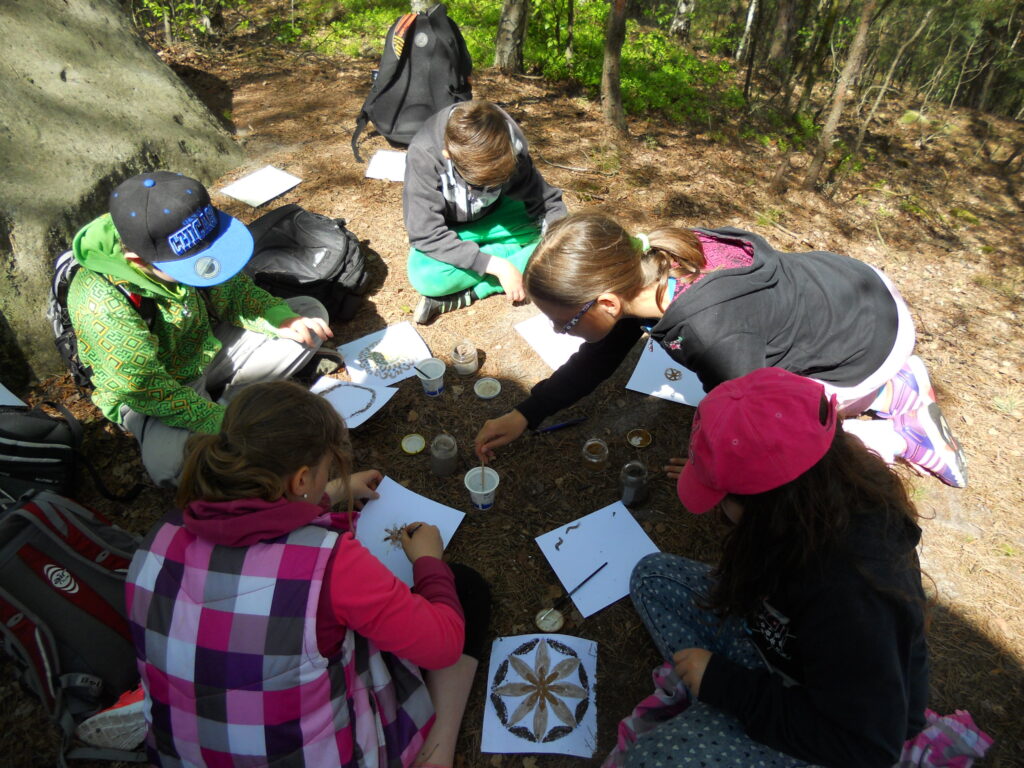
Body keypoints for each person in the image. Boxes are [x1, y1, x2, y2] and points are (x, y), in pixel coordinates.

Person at [125, 380, 490, 768]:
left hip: (185, 757)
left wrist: (328, 493)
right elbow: (443, 645)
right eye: (324, 470)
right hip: (317, 756)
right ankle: (435, 754)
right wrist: (428, 561)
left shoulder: (158, 540)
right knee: (465, 589)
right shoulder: (331, 563)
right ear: (300, 480)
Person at [474, 212, 967, 488]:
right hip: (853, 291)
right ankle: (889, 388)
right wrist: (528, 412)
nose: (560, 333)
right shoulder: (650, 268)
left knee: (794, 446)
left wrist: (707, 471)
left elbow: (755, 423)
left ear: (606, 303)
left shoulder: (710, 334)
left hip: (867, 343)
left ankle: (898, 430)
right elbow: (602, 355)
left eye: (565, 323)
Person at [621, 368, 929, 767]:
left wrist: (727, 686)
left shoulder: (853, 595)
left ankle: (722, 722)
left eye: (722, 496)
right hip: (783, 650)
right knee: (652, 576)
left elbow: (867, 747)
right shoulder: (816, 500)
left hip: (833, 728)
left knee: (650, 760)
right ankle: (722, 718)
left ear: (767, 504)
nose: (718, 509)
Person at [68, 170, 337, 487]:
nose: (208, 264)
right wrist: (220, 422)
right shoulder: (99, 300)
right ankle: (233, 412)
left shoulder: (180, 240)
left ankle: (232, 411)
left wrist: (280, 318)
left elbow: (234, 294)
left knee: (308, 315)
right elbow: (145, 389)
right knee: (172, 466)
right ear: (138, 261)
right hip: (157, 390)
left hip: (205, 350)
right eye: (192, 265)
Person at [403, 99, 567, 324]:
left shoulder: (508, 141)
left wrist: (558, 240)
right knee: (425, 277)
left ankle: (477, 289)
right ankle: (515, 256)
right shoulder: (424, 154)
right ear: (447, 154)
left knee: (561, 239)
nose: (484, 190)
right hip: (454, 228)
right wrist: (497, 266)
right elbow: (426, 234)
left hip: (502, 215)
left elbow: (547, 201)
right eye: (477, 184)